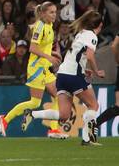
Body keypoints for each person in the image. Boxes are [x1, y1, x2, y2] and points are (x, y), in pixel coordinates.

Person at [30, 9, 106, 145]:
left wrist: (85, 69)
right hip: (74, 75)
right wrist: (96, 71)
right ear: (99, 25)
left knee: (64, 115)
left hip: (63, 75)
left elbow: (76, 57)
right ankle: (88, 139)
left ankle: (32, 114)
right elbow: (89, 55)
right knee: (93, 105)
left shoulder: (80, 34)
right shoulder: (92, 36)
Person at [0, 1, 62, 137]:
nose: (54, 15)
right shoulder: (39, 27)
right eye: (51, 12)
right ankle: (5, 119)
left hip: (44, 68)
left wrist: (51, 54)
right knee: (35, 102)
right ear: (43, 14)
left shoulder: (50, 26)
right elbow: (32, 48)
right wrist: (49, 57)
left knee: (58, 96)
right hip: (36, 69)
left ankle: (54, 130)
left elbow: (43, 47)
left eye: (55, 12)